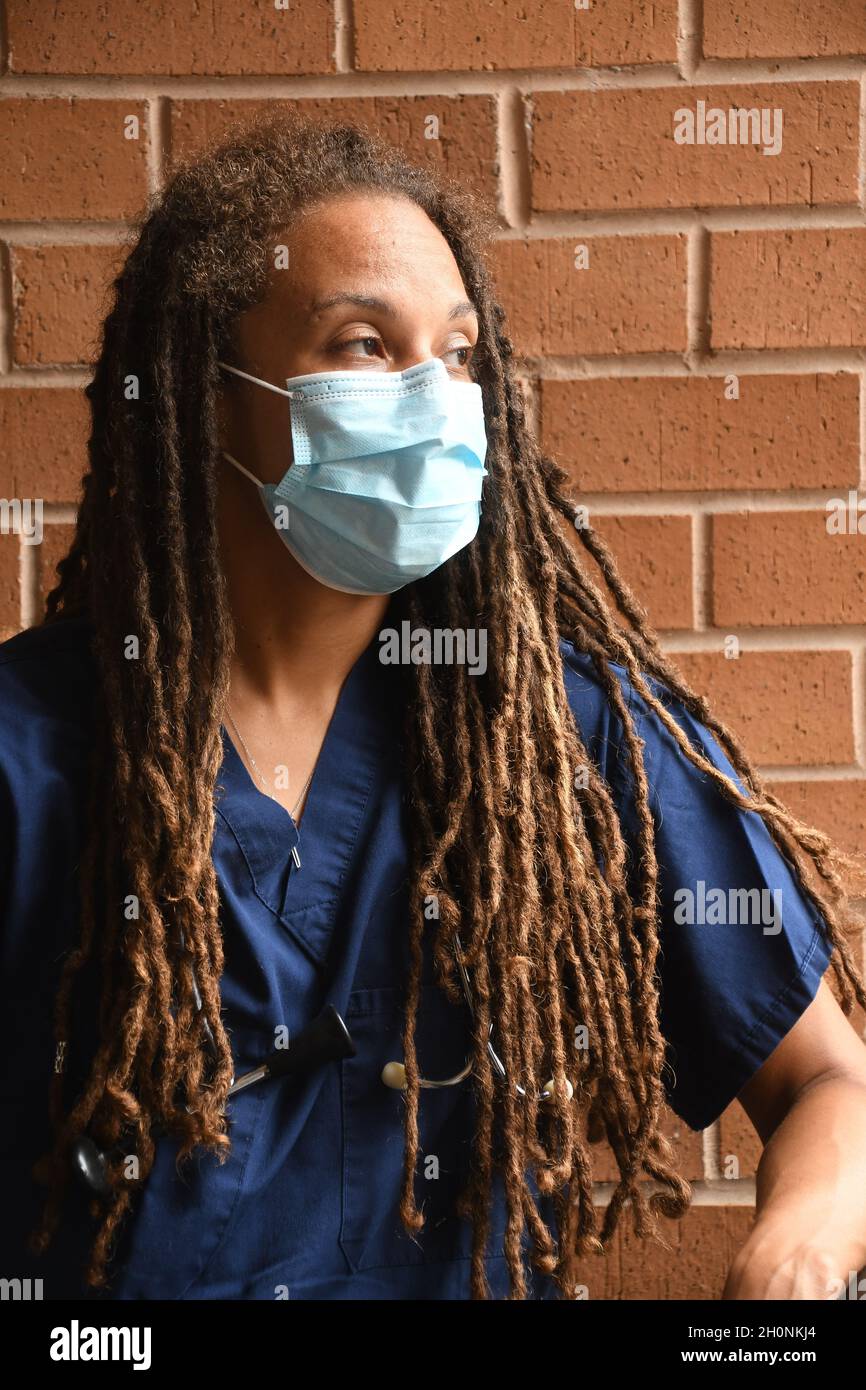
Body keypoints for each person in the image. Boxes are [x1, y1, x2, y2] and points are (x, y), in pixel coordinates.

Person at [2, 112, 866, 1303]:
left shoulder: (556, 740)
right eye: (363, 344)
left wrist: (800, 1249)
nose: (430, 394)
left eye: (455, 354)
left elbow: (831, 1082)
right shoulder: (26, 750)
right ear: (206, 395)